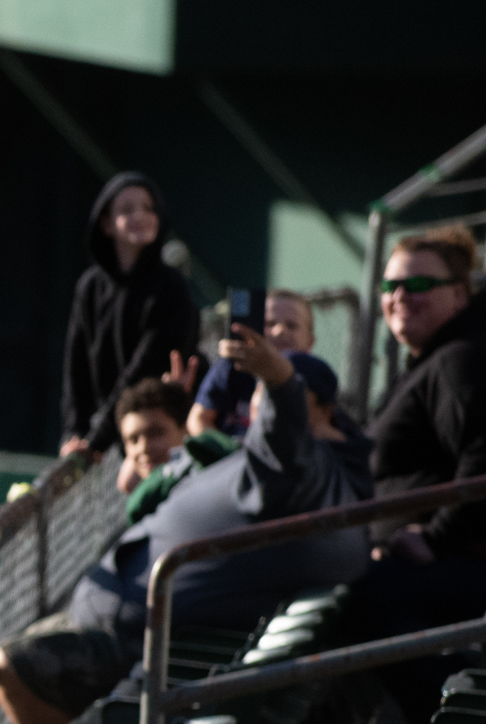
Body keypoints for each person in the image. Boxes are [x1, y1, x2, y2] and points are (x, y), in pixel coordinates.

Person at [0, 328, 373, 724]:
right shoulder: (303, 474)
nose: (256, 406)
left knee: (8, 665)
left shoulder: (305, 468)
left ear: (323, 411)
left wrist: (281, 381)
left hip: (148, 644)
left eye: (263, 398)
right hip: (125, 617)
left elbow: (285, 440)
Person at [348, 226, 486, 724]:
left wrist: (436, 536)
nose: (400, 297)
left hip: (462, 566)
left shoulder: (460, 358)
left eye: (418, 285)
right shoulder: (432, 359)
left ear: (459, 292)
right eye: (390, 287)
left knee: (369, 599)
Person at [60, 172, 201, 457]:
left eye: (149, 208)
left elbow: (147, 367)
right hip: (110, 435)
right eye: (127, 209)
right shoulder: (89, 287)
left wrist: (95, 439)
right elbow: (76, 369)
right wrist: (73, 434)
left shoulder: (171, 286)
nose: (140, 215)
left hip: (158, 434)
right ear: (106, 223)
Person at [189, 290, 319, 437]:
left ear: (310, 341)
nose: (279, 331)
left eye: (292, 325)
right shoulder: (232, 367)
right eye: (269, 323)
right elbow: (197, 420)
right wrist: (225, 451)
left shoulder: (316, 381)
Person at [113, 378, 239, 524]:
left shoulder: (220, 473)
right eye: (133, 440)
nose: (143, 448)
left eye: (155, 433)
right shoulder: (141, 508)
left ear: (185, 429)